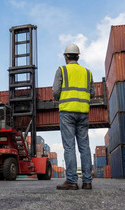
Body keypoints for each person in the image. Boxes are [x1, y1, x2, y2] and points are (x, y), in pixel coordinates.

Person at [52, 43, 94, 190]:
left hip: (67, 112)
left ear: (66, 57)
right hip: (83, 112)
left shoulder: (61, 70)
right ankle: (87, 182)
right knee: (84, 147)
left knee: (69, 147)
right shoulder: (87, 72)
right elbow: (92, 93)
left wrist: (62, 97)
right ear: (78, 56)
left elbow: (56, 91)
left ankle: (72, 181)